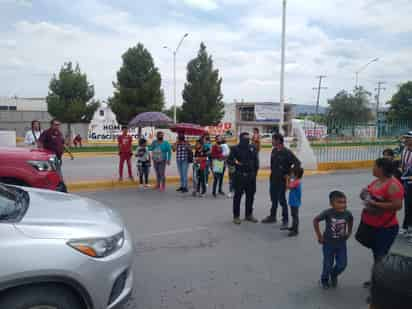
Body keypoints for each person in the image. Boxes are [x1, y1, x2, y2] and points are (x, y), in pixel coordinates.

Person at [358, 158, 404, 288]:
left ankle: (379, 287)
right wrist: (364, 194)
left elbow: (397, 205)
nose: (373, 168)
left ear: (381, 169)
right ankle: (376, 281)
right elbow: (369, 191)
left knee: (381, 258)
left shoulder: (393, 185)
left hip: (385, 228)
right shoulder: (377, 181)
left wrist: (375, 203)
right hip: (372, 225)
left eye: (375, 166)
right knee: (377, 256)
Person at [313, 191, 354, 289]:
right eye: (339, 202)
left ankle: (334, 274)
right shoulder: (328, 213)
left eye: (344, 202)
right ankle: (324, 279)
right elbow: (316, 220)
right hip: (328, 244)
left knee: (342, 265)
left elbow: (351, 220)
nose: (343, 205)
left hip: (341, 244)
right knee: (328, 264)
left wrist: (349, 232)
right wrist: (319, 236)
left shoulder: (347, 213)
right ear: (331, 204)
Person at [262, 133, 301, 228]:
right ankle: (272, 216)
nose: (272, 141)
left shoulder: (286, 152)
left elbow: (297, 163)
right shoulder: (274, 150)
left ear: (278, 141)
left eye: (273, 139)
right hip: (273, 178)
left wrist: (290, 175)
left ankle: (285, 220)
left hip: (282, 180)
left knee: (282, 200)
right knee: (273, 198)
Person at [227, 132, 259, 225]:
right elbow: (229, 160)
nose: (247, 140)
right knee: (237, 197)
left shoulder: (252, 148)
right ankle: (236, 216)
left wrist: (255, 173)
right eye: (245, 139)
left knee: (250, 196)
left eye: (248, 139)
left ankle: (249, 215)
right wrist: (236, 163)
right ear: (241, 139)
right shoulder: (235, 148)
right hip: (240, 176)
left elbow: (256, 162)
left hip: (251, 177)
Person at [286, 166, 304, 237]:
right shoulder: (296, 181)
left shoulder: (296, 182)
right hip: (293, 202)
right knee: (293, 215)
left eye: (292, 173)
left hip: (294, 202)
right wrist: (290, 179)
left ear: (296, 174)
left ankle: (295, 230)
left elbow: (288, 187)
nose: (291, 174)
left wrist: (287, 179)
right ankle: (293, 227)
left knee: (295, 216)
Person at [400, 132, 412, 234]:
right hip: (406, 181)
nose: (406, 140)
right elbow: (402, 164)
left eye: (408, 138)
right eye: (405, 138)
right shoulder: (404, 150)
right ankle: (406, 226)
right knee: (407, 204)